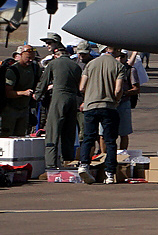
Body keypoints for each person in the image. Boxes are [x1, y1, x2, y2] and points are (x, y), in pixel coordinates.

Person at [74, 45, 127, 183]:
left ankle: (84, 164)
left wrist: (89, 96)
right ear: (116, 50)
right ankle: (109, 173)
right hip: (108, 106)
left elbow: (81, 87)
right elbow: (118, 89)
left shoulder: (91, 64)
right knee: (110, 141)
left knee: (88, 137)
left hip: (91, 105)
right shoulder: (118, 66)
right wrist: (116, 100)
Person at [35, 36, 82, 169]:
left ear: (56, 54)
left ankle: (50, 165)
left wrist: (37, 96)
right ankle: (68, 162)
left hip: (58, 98)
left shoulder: (53, 64)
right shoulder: (76, 66)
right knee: (69, 133)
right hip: (73, 100)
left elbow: (43, 83)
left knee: (52, 132)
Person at [2, 44, 39, 138]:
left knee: (20, 137)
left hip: (24, 108)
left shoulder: (34, 68)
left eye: (32, 58)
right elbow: (8, 93)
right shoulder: (13, 70)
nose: (30, 60)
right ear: (21, 55)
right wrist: (24, 93)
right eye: (28, 58)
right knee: (6, 137)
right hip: (10, 109)